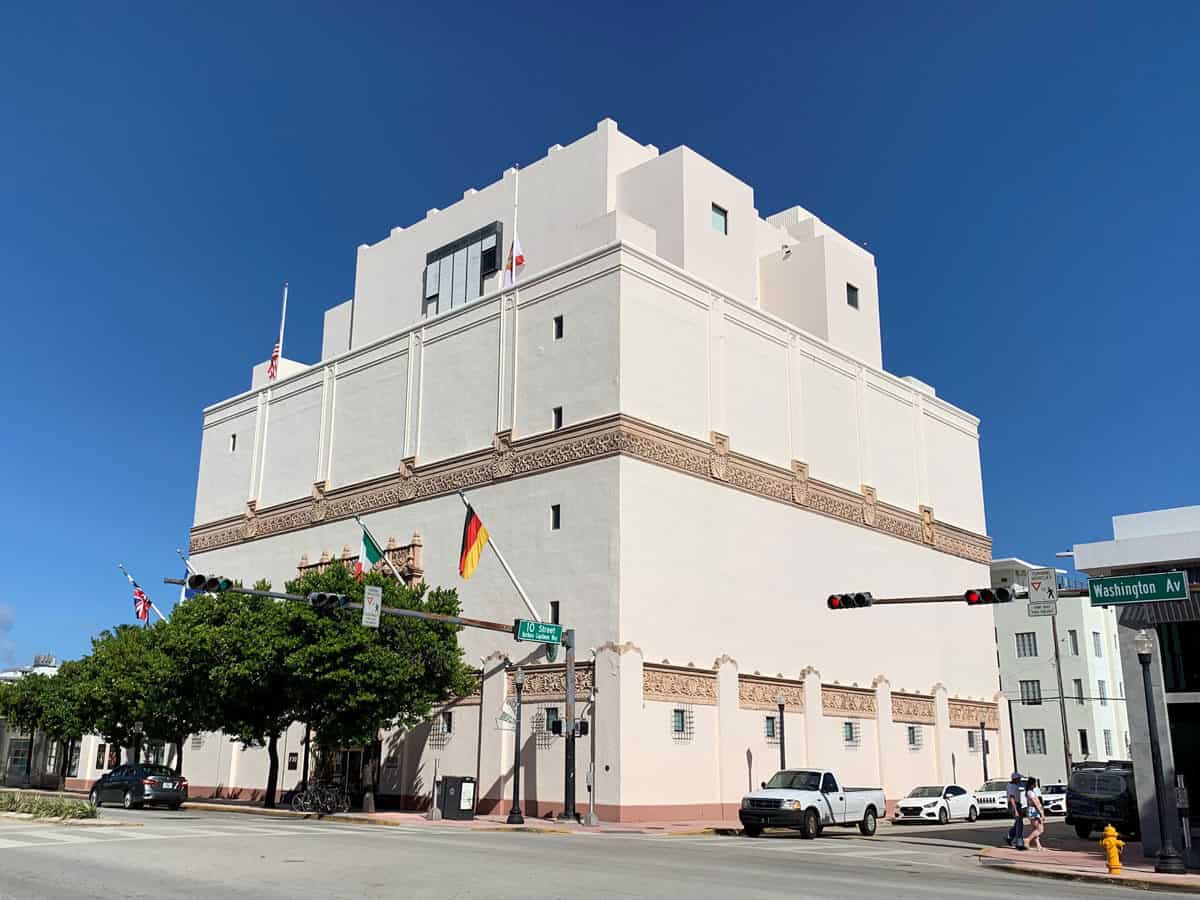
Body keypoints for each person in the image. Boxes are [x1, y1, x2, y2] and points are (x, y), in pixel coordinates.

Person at [1004, 771, 1027, 850]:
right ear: (1015, 779)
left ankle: (1009, 837)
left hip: (1017, 804)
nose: (1020, 780)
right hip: (1014, 805)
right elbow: (1012, 798)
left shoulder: (1015, 785)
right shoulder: (1011, 786)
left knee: (1018, 823)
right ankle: (1019, 844)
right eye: (1019, 778)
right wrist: (1016, 810)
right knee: (1019, 824)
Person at [1025, 777, 1046, 850]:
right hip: (1034, 811)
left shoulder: (1030, 792)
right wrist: (1041, 813)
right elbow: (1036, 803)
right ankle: (1027, 840)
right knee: (1040, 829)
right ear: (1032, 784)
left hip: (1032, 810)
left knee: (1035, 829)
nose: (1035, 785)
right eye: (1035, 783)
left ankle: (1038, 846)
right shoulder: (1030, 792)